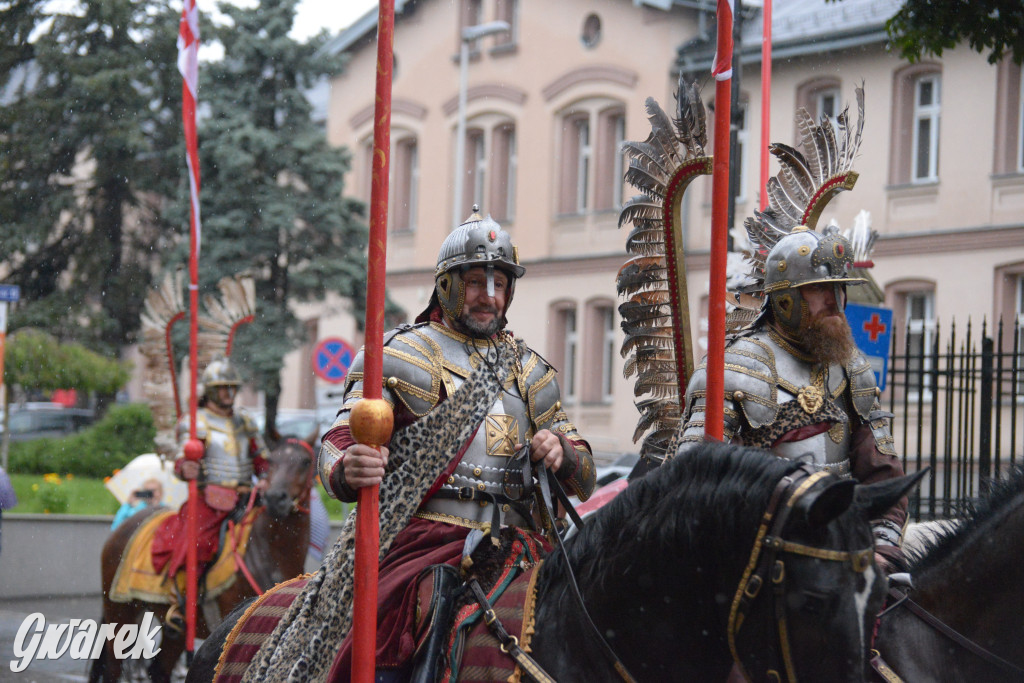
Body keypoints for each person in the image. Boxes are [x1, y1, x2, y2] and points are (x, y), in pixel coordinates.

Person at [317, 210, 597, 680]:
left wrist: (563, 452)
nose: (489, 296)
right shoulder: (399, 356)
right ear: (447, 285)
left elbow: (585, 478)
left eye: (500, 284)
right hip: (429, 541)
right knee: (399, 628)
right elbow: (339, 439)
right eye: (474, 282)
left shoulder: (531, 371)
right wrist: (349, 467)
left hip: (520, 543)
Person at [676, 226, 908, 571]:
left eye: (837, 288)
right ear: (785, 301)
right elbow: (695, 481)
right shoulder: (735, 369)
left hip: (844, 554)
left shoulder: (850, 368)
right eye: (819, 290)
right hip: (761, 561)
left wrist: (882, 549)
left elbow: (882, 476)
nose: (834, 302)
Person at [151, 357, 268, 579]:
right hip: (211, 499)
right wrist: (185, 468)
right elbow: (181, 458)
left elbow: (260, 457)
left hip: (248, 498)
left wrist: (264, 476)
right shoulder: (197, 421)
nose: (229, 393)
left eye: (232, 388)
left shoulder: (245, 421)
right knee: (194, 545)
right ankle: (183, 599)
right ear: (210, 391)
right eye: (222, 388)